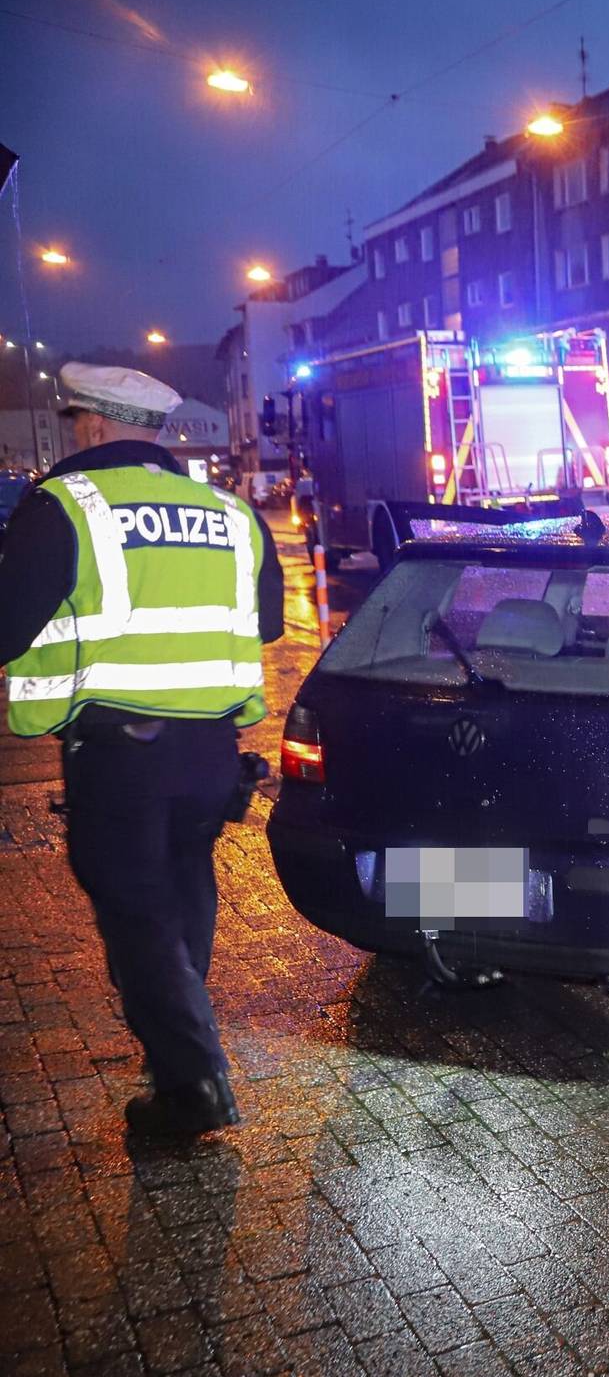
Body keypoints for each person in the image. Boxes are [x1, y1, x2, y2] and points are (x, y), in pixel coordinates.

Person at [0, 363, 284, 1137]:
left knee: (136, 909)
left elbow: (8, 626)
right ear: (156, 430)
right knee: (182, 891)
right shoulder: (228, 510)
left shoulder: (63, 506)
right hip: (212, 753)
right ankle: (178, 1043)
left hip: (121, 755)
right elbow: (266, 624)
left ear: (90, 424)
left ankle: (192, 1082)